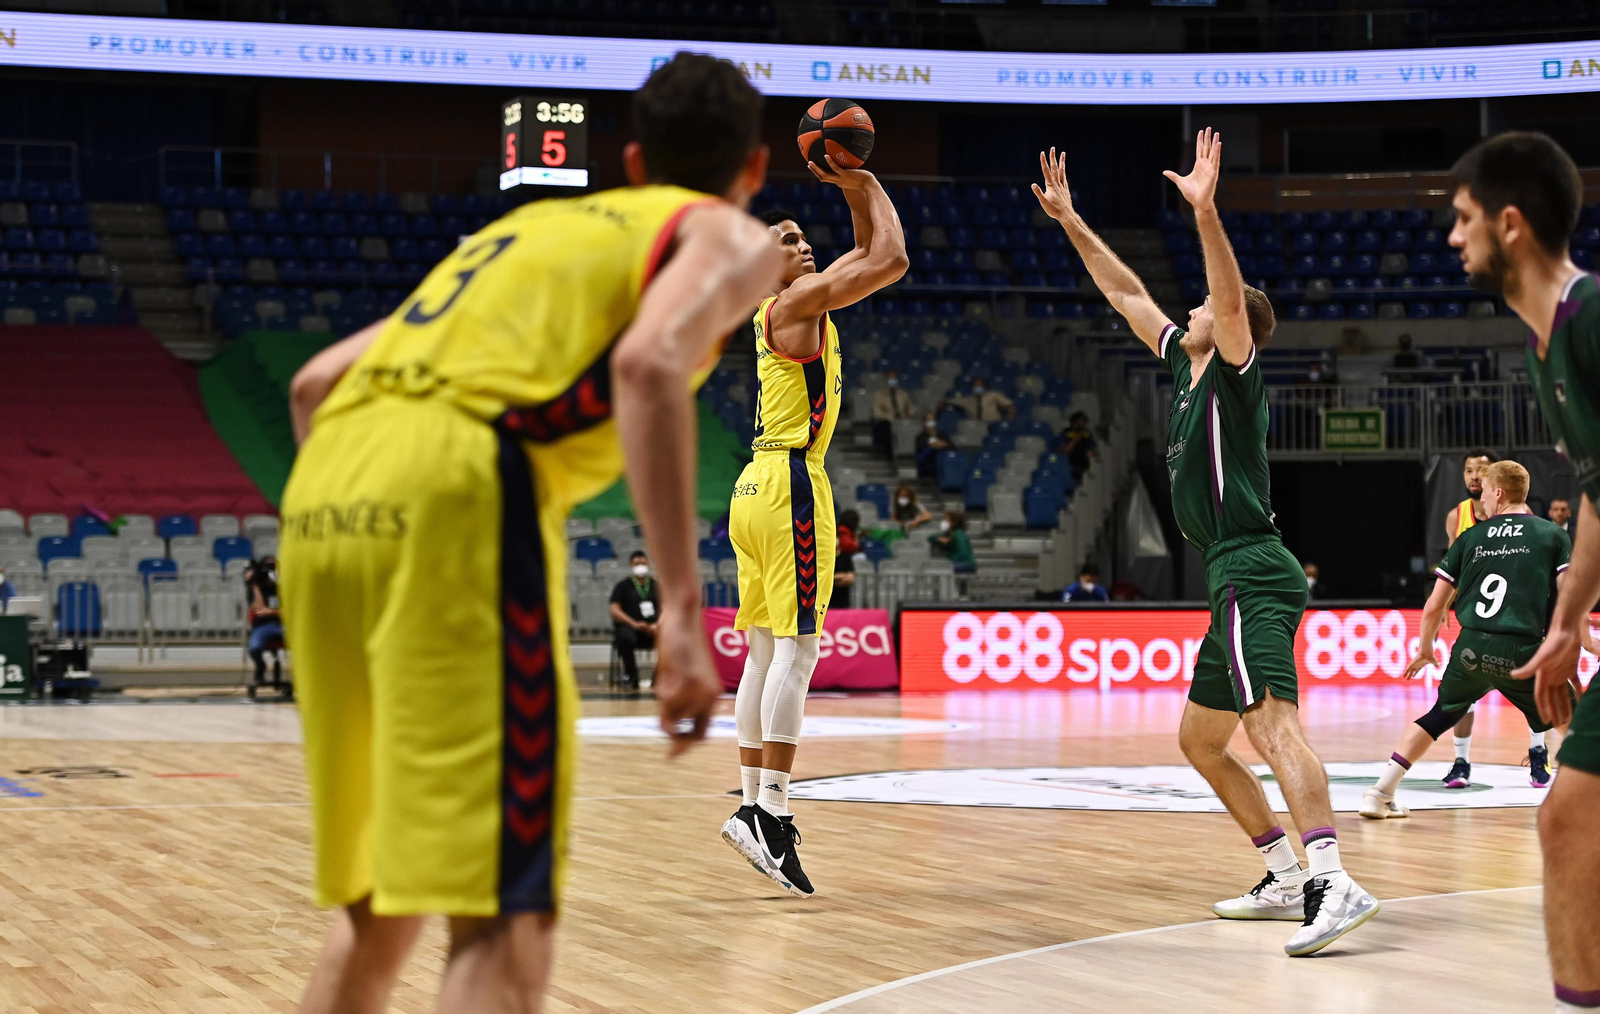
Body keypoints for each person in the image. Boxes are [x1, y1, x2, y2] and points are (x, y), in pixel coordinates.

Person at [275, 53, 782, 1014]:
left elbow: (312, 385)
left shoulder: (525, 230)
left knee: (379, 903)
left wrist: (361, 511)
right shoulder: (724, 230)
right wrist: (682, 610)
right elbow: (649, 363)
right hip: (463, 482)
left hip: (325, 492)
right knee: (502, 919)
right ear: (753, 167)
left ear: (632, 161)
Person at [1035, 130, 1378, 957]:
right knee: (1200, 739)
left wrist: (1206, 212)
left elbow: (1226, 303)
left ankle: (1333, 877)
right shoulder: (1181, 374)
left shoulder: (1230, 370)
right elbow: (1125, 293)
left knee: (1272, 726)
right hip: (1229, 572)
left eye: (1201, 308)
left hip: (1252, 566)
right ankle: (1284, 872)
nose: (1187, 310)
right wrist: (1071, 222)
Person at [721, 157, 907, 900]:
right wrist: (864, 178)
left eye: (805, 237)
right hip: (793, 483)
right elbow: (891, 259)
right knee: (798, 653)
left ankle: (750, 808)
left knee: (764, 653)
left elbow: (863, 251)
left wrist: (853, 185)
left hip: (755, 482)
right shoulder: (795, 302)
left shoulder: (792, 305)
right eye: (787, 240)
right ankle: (771, 810)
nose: (803, 245)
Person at [1449, 130, 1600, 1014]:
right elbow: (1596, 499)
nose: (1452, 236)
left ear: (1510, 224)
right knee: (1567, 817)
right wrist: (1568, 622)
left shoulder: (1592, 319)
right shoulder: (1547, 351)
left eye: (1463, 217)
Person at [1362, 461, 1583, 820]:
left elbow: (1435, 605)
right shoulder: (1551, 534)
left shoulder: (1470, 537)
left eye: (1485, 494)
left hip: (1471, 648)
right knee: (1576, 726)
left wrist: (1425, 648)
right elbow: (1570, 594)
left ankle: (1380, 793)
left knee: (1438, 716)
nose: (1482, 501)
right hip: (1523, 650)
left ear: (1499, 492)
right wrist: (1581, 636)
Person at [1438, 446, 1501, 787]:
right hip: (1476, 616)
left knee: (1531, 690)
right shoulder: (1457, 516)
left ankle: (1538, 751)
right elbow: (1452, 569)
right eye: (1468, 470)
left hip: (1516, 614)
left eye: (1481, 469)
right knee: (1465, 690)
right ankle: (1461, 761)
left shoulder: (1516, 513)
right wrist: (1443, 604)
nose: (1475, 476)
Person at [608, 551, 659, 691]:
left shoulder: (656, 586)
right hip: (631, 628)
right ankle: (631, 676)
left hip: (653, 628)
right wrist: (634, 624)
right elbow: (614, 609)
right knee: (624, 637)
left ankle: (658, 677)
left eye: (643, 563)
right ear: (631, 565)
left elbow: (667, 607)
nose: (640, 566)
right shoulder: (623, 586)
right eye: (637, 564)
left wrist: (657, 625)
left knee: (670, 637)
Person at [245, 556, 286, 694]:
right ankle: (260, 666)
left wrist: (271, 612)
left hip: (284, 626)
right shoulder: (255, 588)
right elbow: (259, 609)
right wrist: (254, 584)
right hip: (263, 627)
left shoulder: (284, 587)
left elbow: (291, 611)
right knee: (254, 648)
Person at [871, 370, 915, 463]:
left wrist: (907, 417)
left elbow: (910, 409)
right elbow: (877, 413)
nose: (892, 380)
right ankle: (890, 456)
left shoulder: (903, 394)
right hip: (887, 421)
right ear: (886, 380)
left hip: (902, 420)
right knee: (885, 427)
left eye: (894, 378)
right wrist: (890, 418)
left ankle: (909, 455)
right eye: (890, 378)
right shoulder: (879, 395)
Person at [946, 377, 1014, 421]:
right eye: (975, 385)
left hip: (993, 422)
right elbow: (950, 401)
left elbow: (1008, 405)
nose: (977, 387)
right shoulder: (968, 400)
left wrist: (1010, 417)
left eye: (980, 385)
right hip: (976, 425)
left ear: (985, 386)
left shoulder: (994, 395)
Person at [1057, 411, 1097, 480]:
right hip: (1069, 463)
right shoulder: (1066, 433)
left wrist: (1089, 451)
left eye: (1083, 424)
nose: (1081, 426)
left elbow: (1092, 448)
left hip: (1082, 464)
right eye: (1079, 423)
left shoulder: (1086, 434)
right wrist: (1075, 439)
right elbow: (1063, 449)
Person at [914, 413, 951, 478]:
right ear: (924, 423)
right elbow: (921, 456)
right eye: (928, 420)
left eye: (932, 420)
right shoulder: (920, 438)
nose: (931, 422)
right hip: (928, 467)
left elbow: (952, 448)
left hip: (944, 466)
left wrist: (944, 445)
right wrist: (932, 447)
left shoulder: (943, 435)